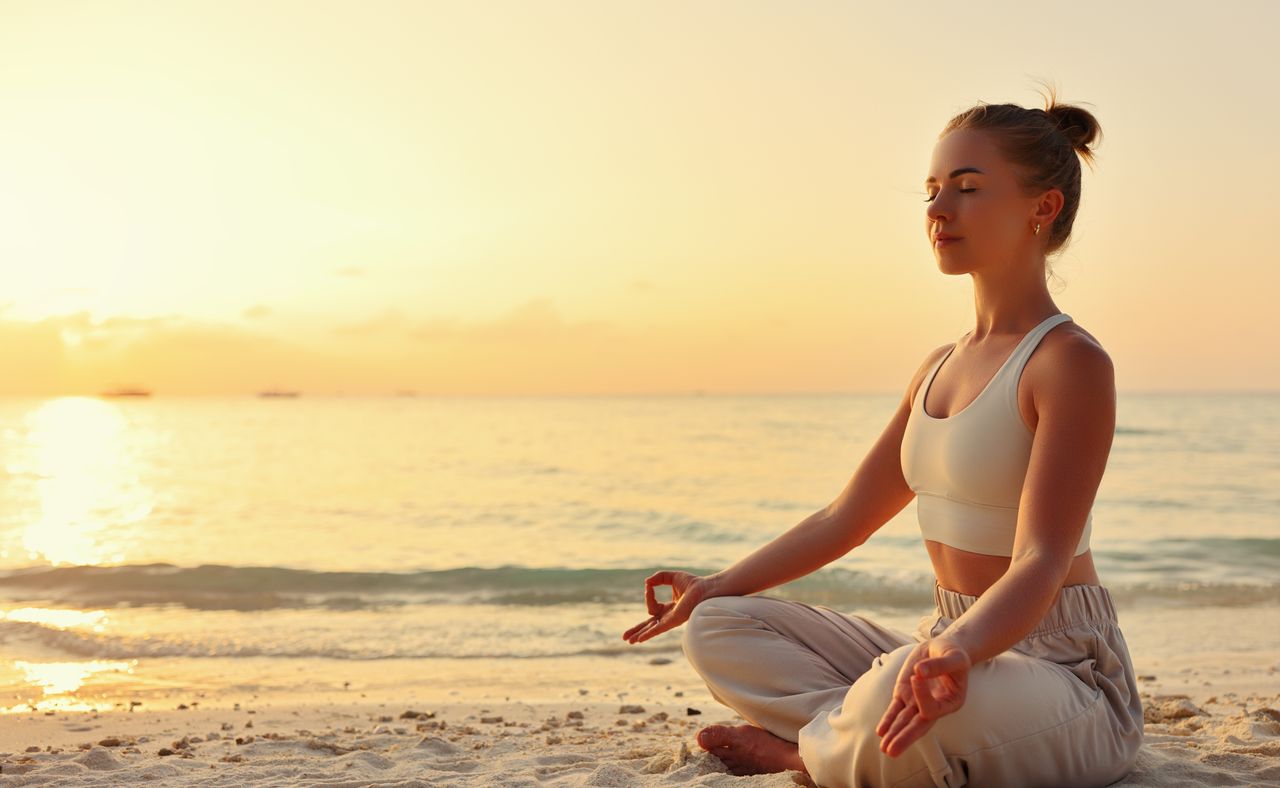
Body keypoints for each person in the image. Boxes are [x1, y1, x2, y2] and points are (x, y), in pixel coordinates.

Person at [620, 83, 1144, 788]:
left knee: (903, 679)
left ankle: (811, 751)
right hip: (949, 649)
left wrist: (956, 650)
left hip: (1062, 676)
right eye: (931, 190)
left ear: (1041, 208)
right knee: (720, 626)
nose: (937, 210)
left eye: (965, 188)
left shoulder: (1069, 363)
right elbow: (843, 519)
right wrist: (714, 583)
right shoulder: (938, 367)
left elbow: (1042, 562)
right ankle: (849, 734)